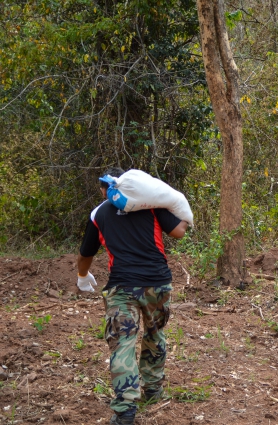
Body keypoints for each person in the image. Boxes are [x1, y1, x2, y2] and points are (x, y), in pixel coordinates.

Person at [76, 167, 188, 425]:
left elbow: (85, 253)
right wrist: (184, 215)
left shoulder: (99, 213)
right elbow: (179, 232)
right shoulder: (152, 204)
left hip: (122, 287)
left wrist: (82, 276)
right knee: (154, 333)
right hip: (158, 284)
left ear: (104, 189)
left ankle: (126, 408)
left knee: (122, 342)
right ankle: (153, 389)